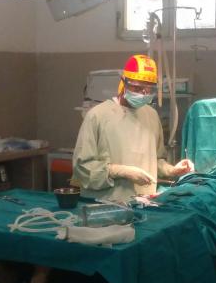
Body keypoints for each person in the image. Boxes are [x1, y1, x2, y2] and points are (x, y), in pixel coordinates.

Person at [73, 54, 194, 202]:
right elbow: (82, 168)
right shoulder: (97, 115)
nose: (144, 93)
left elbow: (156, 160)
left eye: (149, 89)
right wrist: (118, 171)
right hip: (105, 203)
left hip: (144, 202)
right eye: (137, 87)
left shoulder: (151, 115)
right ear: (124, 82)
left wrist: (172, 170)